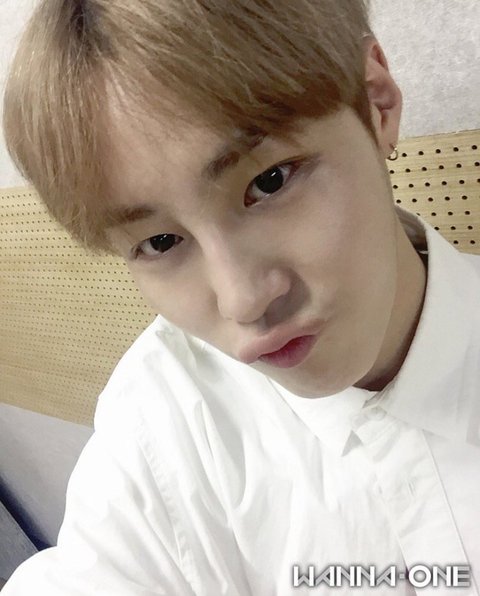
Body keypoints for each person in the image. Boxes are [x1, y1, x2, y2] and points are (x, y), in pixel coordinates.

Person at [2, 0, 479, 594]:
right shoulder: (161, 416)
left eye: (269, 181)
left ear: (376, 103)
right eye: (159, 242)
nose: (242, 301)